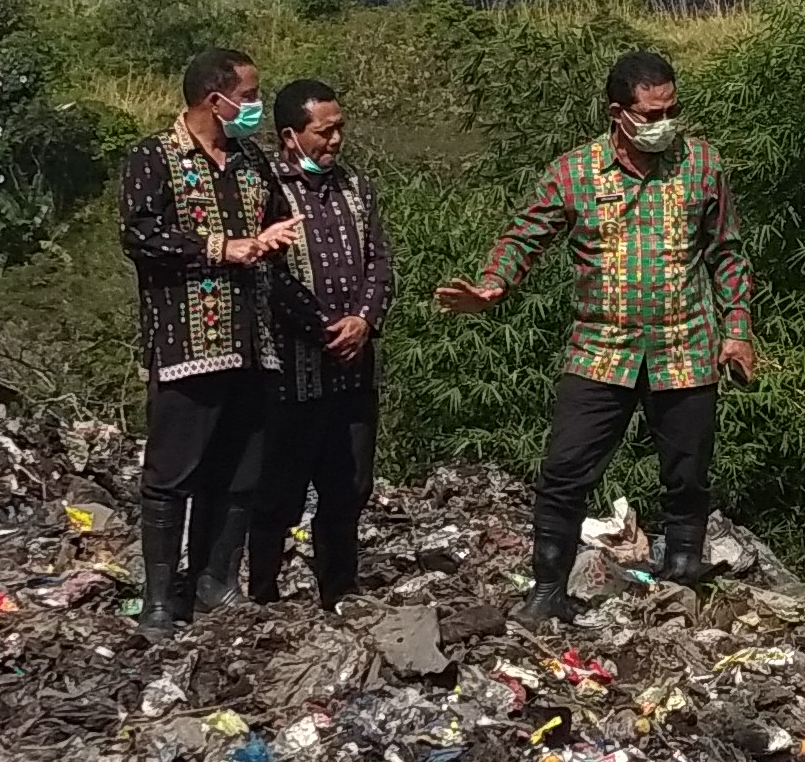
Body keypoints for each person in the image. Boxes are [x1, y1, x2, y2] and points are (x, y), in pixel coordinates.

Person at [436, 45, 754, 621]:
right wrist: (492, 287)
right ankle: (548, 589)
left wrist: (738, 329)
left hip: (685, 345)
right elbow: (523, 237)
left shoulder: (702, 165)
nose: (662, 126)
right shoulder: (574, 173)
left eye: (670, 112)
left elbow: (726, 252)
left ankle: (684, 566)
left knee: (687, 471)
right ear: (617, 113)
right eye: (650, 115)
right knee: (564, 470)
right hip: (601, 351)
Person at [116, 47, 297, 628]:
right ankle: (162, 597)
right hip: (186, 345)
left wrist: (273, 238)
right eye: (247, 97)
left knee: (240, 471)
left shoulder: (249, 160)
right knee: (172, 474)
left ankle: (216, 580)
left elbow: (271, 218)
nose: (253, 108)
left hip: (253, 341)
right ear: (212, 98)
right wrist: (222, 248)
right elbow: (141, 236)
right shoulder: (155, 155)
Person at [236, 77, 394, 608]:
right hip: (292, 371)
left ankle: (340, 591)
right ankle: (261, 592)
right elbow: (266, 275)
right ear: (290, 135)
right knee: (278, 490)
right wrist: (320, 326)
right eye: (324, 132)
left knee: (347, 488)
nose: (335, 141)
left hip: (354, 370)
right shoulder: (265, 191)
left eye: (339, 130)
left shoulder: (354, 185)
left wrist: (363, 321)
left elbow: (379, 261)